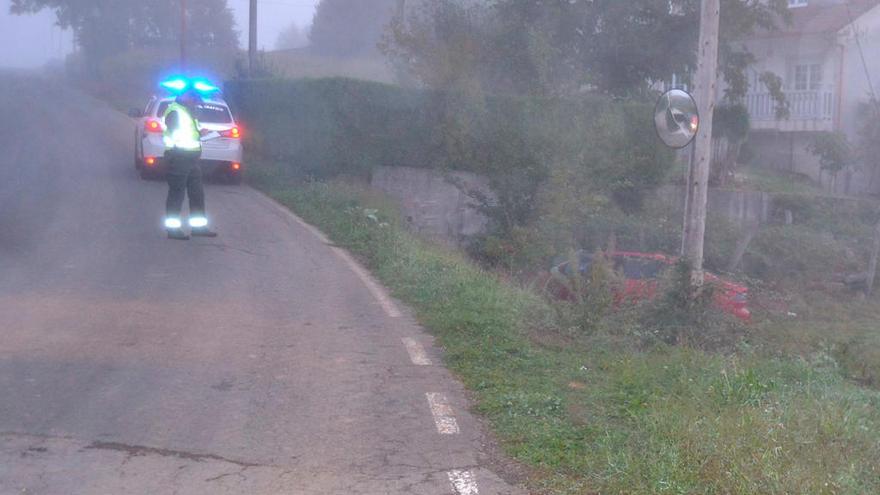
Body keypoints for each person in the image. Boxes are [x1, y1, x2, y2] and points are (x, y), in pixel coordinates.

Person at [162, 89, 218, 240]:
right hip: (179, 157)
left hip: (191, 159)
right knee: (177, 194)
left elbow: (189, 133)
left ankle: (198, 227)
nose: (195, 103)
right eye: (194, 100)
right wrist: (198, 135)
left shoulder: (187, 111)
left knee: (197, 194)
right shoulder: (174, 111)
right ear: (186, 96)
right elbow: (177, 135)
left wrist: (200, 133)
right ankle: (173, 230)